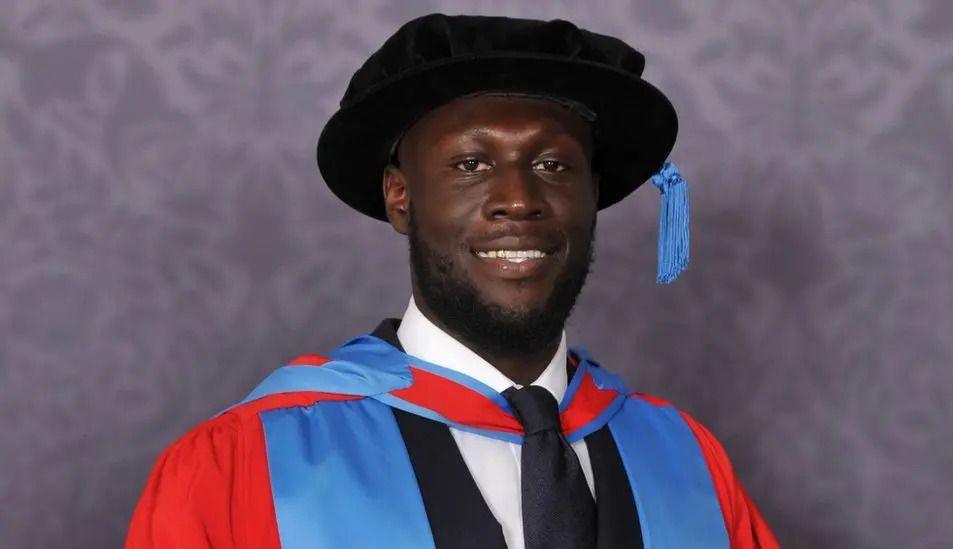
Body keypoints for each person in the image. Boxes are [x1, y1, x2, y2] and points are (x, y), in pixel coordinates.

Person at [125, 13, 779, 549]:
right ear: (401, 197)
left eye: (554, 164)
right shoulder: (244, 462)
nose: (518, 199)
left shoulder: (686, 460)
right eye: (471, 163)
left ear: (593, 195)